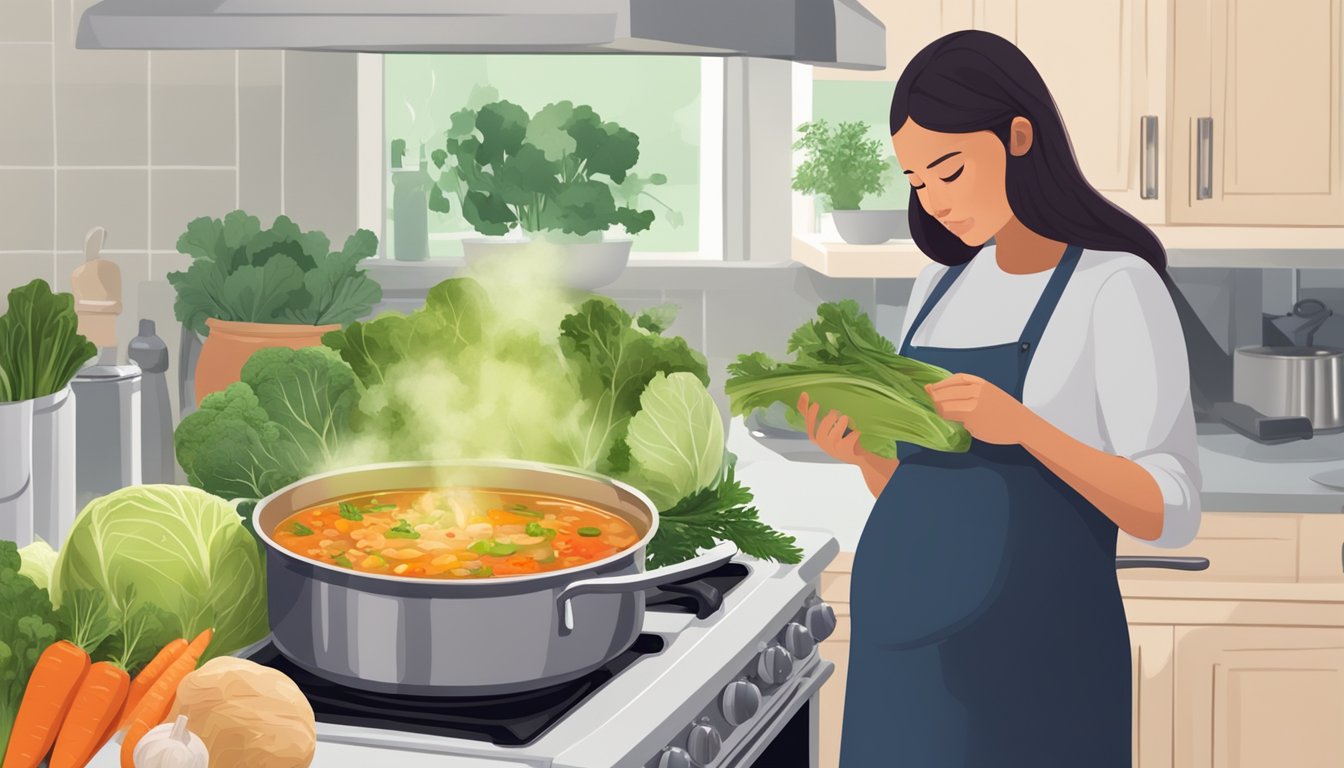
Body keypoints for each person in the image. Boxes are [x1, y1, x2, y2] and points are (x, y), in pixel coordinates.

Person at [798, 30, 1202, 767]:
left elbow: (1168, 511)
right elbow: (944, 503)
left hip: (1039, 668)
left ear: (1019, 135)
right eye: (918, 182)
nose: (937, 202)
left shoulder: (1114, 288)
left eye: (950, 170)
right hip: (905, 655)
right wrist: (867, 459)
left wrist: (1024, 427)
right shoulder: (936, 287)